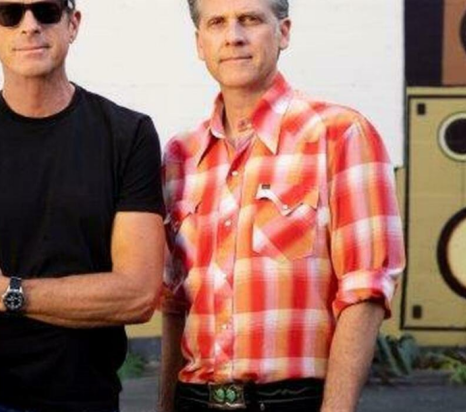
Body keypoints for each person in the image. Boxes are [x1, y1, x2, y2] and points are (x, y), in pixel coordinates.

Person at [0, 1, 165, 411]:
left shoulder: (128, 136)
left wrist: (4, 292)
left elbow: (138, 294)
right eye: (10, 14)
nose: (29, 25)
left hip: (88, 400)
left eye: (45, 10)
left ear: (72, 23)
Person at [159, 0, 406, 411]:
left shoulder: (340, 135)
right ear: (200, 43)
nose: (234, 36)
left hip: (291, 401)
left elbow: (365, 289)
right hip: (195, 399)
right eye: (217, 23)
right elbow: (174, 303)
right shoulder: (180, 155)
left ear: (284, 32)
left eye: (250, 19)